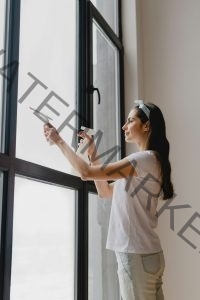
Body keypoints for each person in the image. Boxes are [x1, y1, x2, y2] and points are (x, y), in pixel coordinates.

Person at [43, 102, 174, 300]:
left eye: (130, 121)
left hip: (135, 254)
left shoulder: (141, 160)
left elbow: (85, 173)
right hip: (149, 255)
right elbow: (104, 191)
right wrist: (93, 153)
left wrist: (59, 141)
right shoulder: (149, 161)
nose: (124, 126)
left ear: (146, 126)